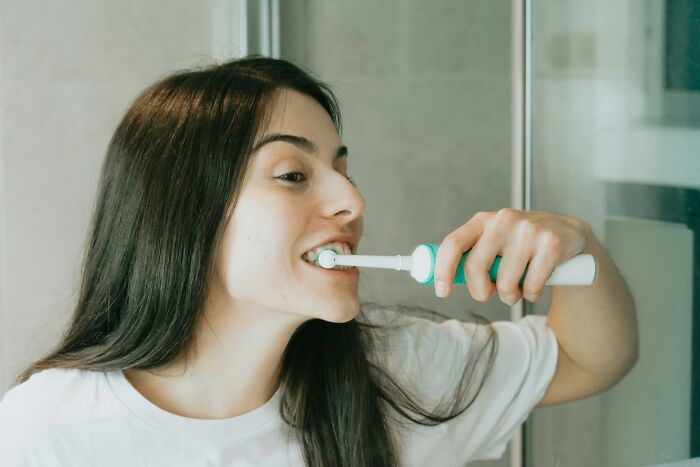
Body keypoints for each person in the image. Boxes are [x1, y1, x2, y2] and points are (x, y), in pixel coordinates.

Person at [0, 56, 638, 466]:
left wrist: (577, 241)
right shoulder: (45, 434)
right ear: (182, 211)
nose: (353, 201)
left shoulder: (392, 375)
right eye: (292, 174)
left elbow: (591, 358)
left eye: (343, 171)